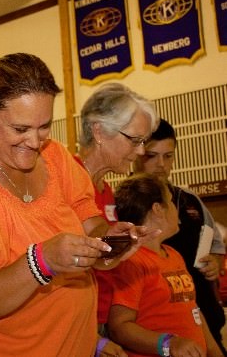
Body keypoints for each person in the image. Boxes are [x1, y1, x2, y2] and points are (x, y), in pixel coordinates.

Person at [0, 53, 152, 356]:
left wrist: (109, 242)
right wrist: (42, 261)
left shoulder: (54, 156)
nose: (34, 141)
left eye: (44, 126)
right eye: (20, 129)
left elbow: (89, 222)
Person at [75, 82, 158, 352]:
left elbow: (98, 258)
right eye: (134, 140)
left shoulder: (106, 189)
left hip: (99, 318)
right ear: (99, 131)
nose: (141, 151)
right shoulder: (67, 180)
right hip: (76, 325)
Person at [133, 118, 227, 355]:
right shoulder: (126, 206)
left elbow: (216, 246)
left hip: (203, 317)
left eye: (168, 156)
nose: (161, 165)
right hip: (157, 332)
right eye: (151, 156)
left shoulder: (190, 200)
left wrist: (215, 263)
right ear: (136, 155)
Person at [108, 173, 224, 357]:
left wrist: (214, 351)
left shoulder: (174, 255)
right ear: (157, 209)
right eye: (170, 201)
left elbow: (192, 310)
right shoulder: (133, 261)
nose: (176, 208)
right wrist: (168, 343)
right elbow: (119, 327)